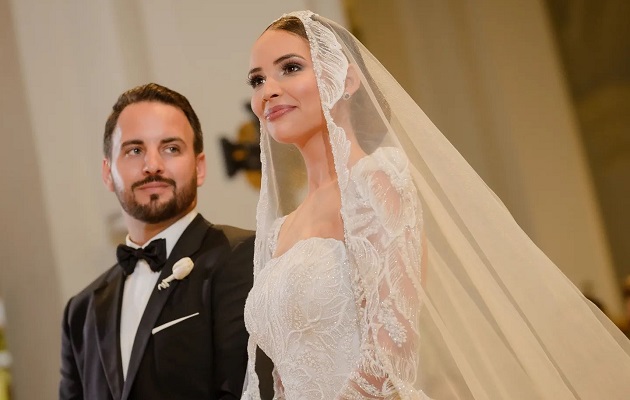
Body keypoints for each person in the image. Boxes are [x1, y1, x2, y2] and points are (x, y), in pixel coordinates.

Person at [241, 11, 630, 400]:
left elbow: (390, 349)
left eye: (290, 68)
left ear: (347, 78)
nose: (268, 91)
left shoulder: (375, 182)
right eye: (257, 80)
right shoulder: (280, 229)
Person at [59, 83, 272, 400]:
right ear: (107, 173)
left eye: (171, 148)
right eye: (134, 150)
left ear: (199, 167)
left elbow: (249, 389)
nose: (153, 165)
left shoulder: (242, 257)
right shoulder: (82, 309)